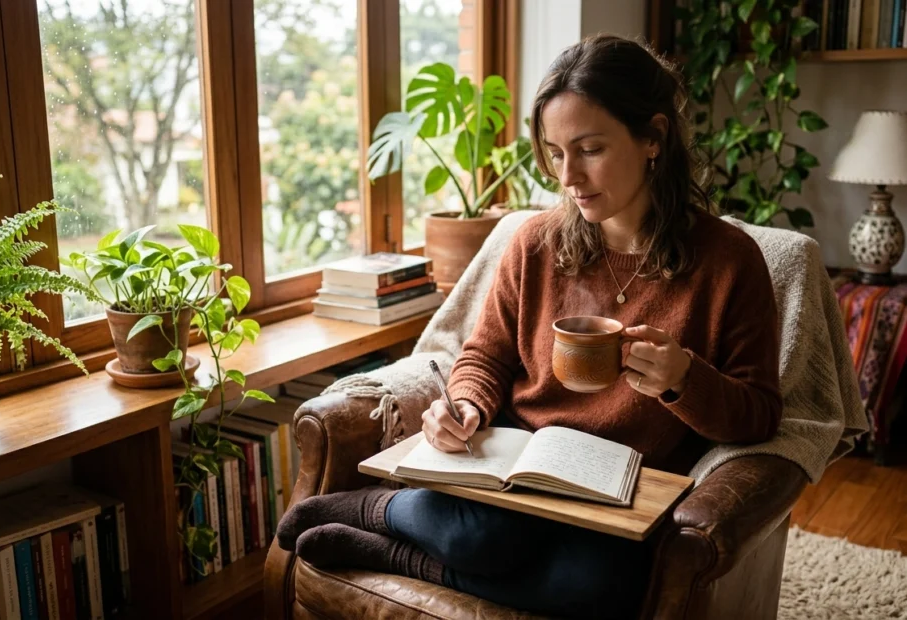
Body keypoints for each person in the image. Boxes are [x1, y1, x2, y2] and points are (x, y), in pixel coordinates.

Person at [276, 34, 782, 619]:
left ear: (654, 139)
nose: (569, 175)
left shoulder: (728, 260)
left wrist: (683, 379)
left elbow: (761, 414)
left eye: (590, 149)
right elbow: (484, 356)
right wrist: (464, 405)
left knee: (596, 589)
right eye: (554, 151)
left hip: (623, 492)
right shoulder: (535, 243)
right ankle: (372, 509)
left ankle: (396, 549)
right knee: (479, 539)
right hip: (520, 461)